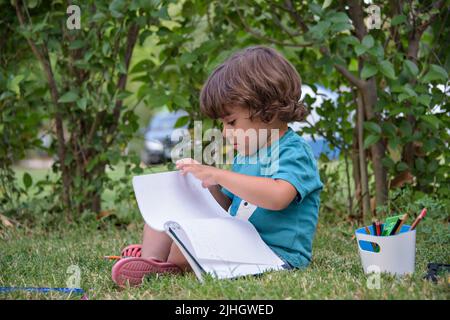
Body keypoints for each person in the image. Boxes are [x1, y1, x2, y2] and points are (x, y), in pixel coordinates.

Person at [111, 46, 323, 287]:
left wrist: (219, 174)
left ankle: (167, 266)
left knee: (193, 237)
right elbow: (228, 205)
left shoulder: (293, 151)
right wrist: (203, 187)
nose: (225, 132)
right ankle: (153, 261)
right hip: (241, 243)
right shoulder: (248, 153)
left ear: (268, 111)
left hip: (274, 255)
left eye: (231, 122)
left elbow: (277, 196)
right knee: (167, 206)